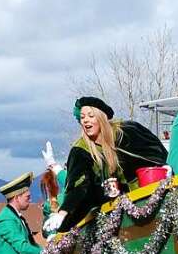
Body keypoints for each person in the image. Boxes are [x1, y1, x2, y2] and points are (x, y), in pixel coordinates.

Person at [47, 96, 168, 233]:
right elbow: (79, 187)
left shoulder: (127, 132)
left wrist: (164, 167)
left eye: (91, 116)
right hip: (112, 216)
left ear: (101, 118)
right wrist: (63, 213)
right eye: (82, 117)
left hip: (146, 200)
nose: (85, 120)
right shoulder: (81, 151)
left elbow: (154, 153)